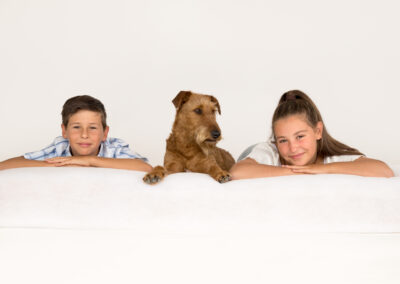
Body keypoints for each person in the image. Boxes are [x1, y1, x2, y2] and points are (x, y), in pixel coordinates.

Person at [230, 90, 394, 179]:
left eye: (300, 136)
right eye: (283, 140)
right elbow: (238, 172)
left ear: (318, 131)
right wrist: (298, 171)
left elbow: (384, 170)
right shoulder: (269, 151)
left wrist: (318, 169)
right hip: (252, 154)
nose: (293, 147)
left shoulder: (332, 157)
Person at [0, 95, 152, 172]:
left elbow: (146, 168)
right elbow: (4, 166)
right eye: (76, 127)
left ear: (105, 133)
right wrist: (61, 164)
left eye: (92, 128)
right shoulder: (60, 147)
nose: (84, 135)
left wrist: (90, 161)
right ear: (64, 131)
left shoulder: (113, 148)